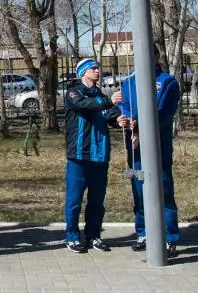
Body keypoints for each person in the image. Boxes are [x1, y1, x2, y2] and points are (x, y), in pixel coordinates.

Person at [117, 44, 181, 257]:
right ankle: (143, 232)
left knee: (163, 190)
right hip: (135, 148)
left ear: (156, 56)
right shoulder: (129, 83)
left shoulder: (167, 82)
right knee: (139, 189)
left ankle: (169, 238)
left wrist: (142, 128)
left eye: (147, 55)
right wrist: (127, 121)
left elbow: (163, 114)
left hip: (158, 147)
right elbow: (125, 107)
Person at [63, 58, 122, 253]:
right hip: (79, 157)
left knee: (97, 201)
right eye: (93, 68)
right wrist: (108, 101)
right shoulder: (73, 92)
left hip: (100, 156)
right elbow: (85, 105)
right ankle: (72, 236)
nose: (98, 70)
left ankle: (93, 236)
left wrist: (119, 120)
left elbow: (110, 114)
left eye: (98, 68)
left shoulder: (100, 95)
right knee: (74, 201)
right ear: (83, 73)